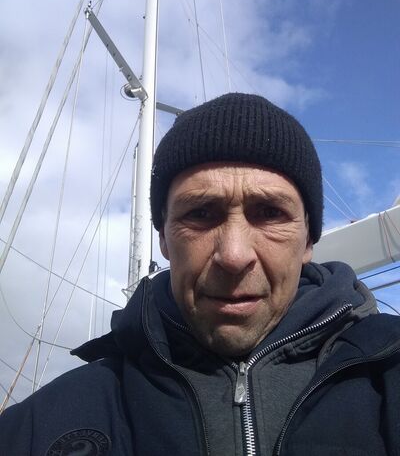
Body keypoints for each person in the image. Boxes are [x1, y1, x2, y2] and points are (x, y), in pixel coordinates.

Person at [1, 93, 399, 456]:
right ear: (164, 239)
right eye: (201, 213)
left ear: (308, 240)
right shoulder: (36, 430)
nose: (234, 256)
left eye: (269, 213)